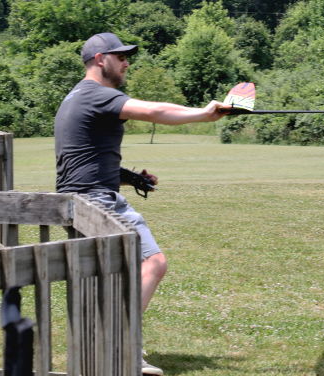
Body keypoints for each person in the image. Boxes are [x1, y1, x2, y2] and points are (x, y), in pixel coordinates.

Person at [55, 33, 226, 376]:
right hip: (95, 203)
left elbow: (85, 162)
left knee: (127, 274)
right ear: (101, 59)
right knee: (152, 263)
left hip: (84, 198)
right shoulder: (98, 95)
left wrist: (131, 178)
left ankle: (114, 344)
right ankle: (120, 346)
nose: (127, 62)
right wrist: (203, 114)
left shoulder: (76, 96)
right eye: (121, 57)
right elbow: (154, 111)